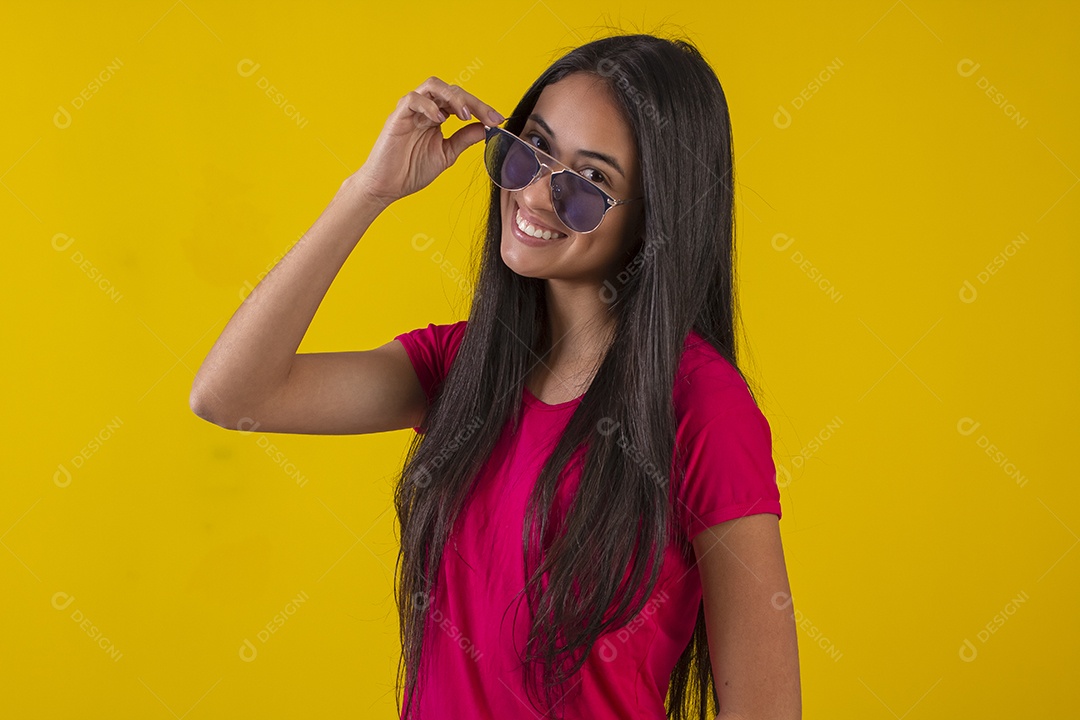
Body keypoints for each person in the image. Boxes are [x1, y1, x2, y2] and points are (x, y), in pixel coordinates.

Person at [190, 32, 801, 720]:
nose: (538, 194)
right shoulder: (463, 366)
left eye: (591, 183)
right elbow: (231, 396)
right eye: (532, 148)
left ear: (654, 222)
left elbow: (766, 708)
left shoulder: (701, 404)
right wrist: (367, 190)